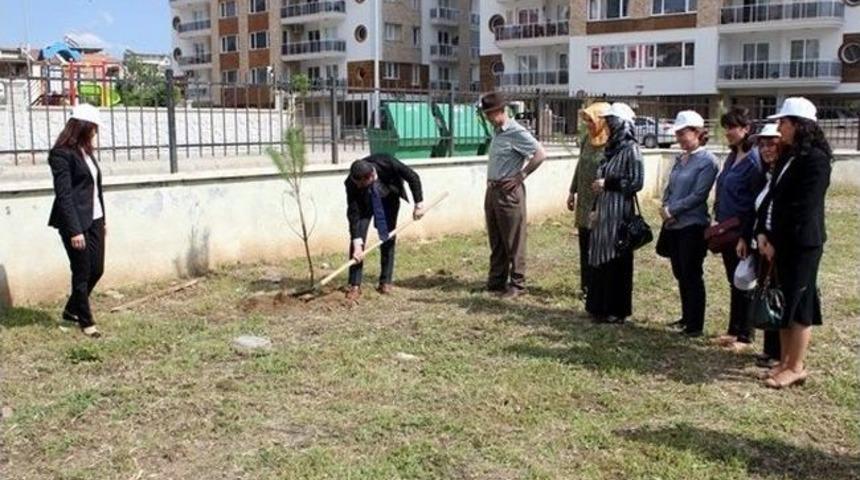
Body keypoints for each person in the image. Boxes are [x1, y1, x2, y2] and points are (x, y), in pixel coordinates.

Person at [755, 97, 832, 389]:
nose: (780, 128)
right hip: (777, 241)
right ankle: (784, 362)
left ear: (800, 125)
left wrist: (777, 240)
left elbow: (803, 208)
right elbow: (772, 197)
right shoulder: (789, 155)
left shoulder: (816, 160)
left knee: (800, 304)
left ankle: (796, 366)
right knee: (784, 301)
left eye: (784, 123)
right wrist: (764, 232)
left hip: (801, 244)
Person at [48, 104, 106, 338]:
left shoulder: (86, 151)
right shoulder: (61, 154)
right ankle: (86, 321)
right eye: (92, 127)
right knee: (81, 271)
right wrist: (74, 231)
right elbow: (64, 196)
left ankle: (71, 309)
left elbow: (95, 188)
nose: (95, 132)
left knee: (97, 269)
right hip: (75, 222)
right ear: (81, 127)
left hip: (95, 218)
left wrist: (104, 219)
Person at [481, 91, 547, 298]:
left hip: (509, 193)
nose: (488, 118)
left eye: (490, 114)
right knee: (497, 239)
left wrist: (522, 175)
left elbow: (540, 154)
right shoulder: (498, 132)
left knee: (513, 240)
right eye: (486, 115)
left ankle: (517, 284)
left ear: (500, 111)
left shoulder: (515, 131)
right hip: (493, 191)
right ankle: (496, 282)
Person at [660, 110, 719, 338]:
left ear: (697, 132)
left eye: (683, 133)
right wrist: (665, 206)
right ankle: (686, 317)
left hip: (693, 225)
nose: (679, 138)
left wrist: (673, 210)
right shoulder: (680, 158)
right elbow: (670, 187)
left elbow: (699, 194)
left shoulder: (708, 161)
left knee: (692, 272)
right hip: (673, 225)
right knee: (680, 272)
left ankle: (695, 323)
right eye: (678, 134)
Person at [713, 107, 766, 351]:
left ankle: (746, 335)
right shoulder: (733, 156)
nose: (728, 133)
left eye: (732, 127)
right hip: (727, 229)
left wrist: (747, 235)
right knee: (733, 279)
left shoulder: (755, 160)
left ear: (746, 129)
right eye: (726, 128)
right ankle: (733, 330)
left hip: (742, 231)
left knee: (744, 281)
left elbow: (756, 202)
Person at [585, 102, 644, 324]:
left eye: (612, 122)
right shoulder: (610, 149)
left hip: (619, 213)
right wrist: (594, 207)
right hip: (603, 211)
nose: (609, 126)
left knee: (616, 257)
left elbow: (636, 182)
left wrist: (608, 183)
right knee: (599, 255)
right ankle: (598, 306)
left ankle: (616, 309)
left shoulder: (631, 149)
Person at [344, 153, 425, 302]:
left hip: (388, 199)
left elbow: (413, 177)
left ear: (370, 176)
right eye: (358, 185)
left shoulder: (386, 162)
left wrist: (418, 204)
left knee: (387, 238)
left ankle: (385, 281)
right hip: (364, 207)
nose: (359, 186)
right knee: (357, 242)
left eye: (362, 184)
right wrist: (357, 242)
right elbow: (353, 213)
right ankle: (354, 285)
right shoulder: (351, 183)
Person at [567, 102, 610, 300]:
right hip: (584, 198)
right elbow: (580, 166)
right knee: (584, 243)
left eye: (592, 121)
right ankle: (586, 285)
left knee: (597, 245)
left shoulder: (610, 142)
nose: (589, 125)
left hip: (600, 201)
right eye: (587, 122)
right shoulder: (586, 139)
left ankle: (597, 285)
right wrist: (572, 191)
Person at [750, 123, 783, 369]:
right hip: (761, 242)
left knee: (778, 295)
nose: (765, 148)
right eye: (762, 144)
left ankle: (780, 353)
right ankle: (769, 348)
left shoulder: (785, 175)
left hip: (779, 244)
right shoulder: (765, 174)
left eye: (771, 143)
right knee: (767, 291)